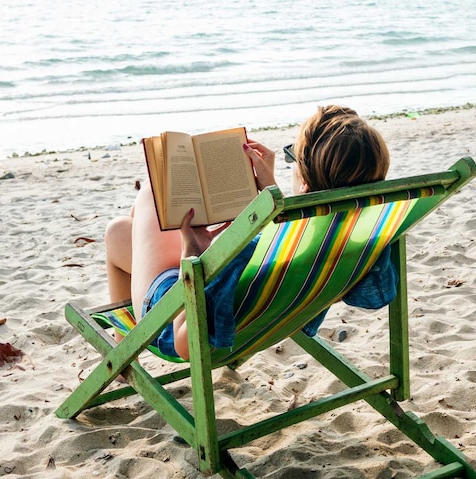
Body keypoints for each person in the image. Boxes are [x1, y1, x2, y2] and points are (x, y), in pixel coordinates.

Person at [104, 105, 397, 360]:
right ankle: (122, 348)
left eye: (291, 160)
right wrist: (274, 199)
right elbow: (374, 296)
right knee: (124, 230)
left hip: (169, 317)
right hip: (264, 320)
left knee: (141, 204)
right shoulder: (368, 238)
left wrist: (192, 255)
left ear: (304, 182)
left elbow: (186, 345)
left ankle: (124, 351)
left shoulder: (251, 252)